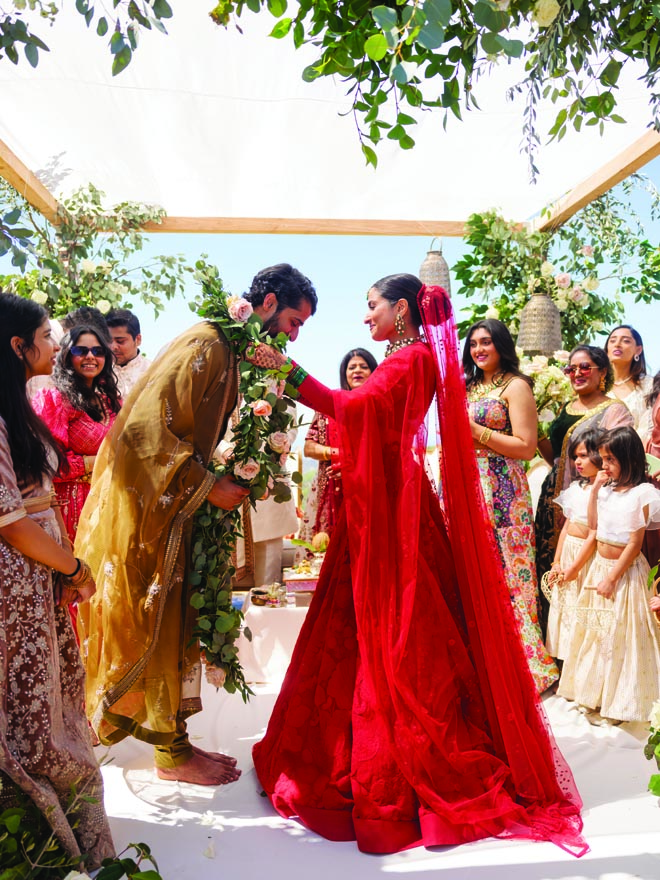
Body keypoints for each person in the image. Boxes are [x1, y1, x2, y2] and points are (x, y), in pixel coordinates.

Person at [248, 275, 585, 855]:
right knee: (372, 619)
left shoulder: (413, 358)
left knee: (399, 629)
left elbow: (351, 408)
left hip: (393, 508)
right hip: (385, 499)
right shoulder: (411, 356)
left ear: (401, 309)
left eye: (371, 306)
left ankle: (386, 778)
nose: (365, 318)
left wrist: (287, 371)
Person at [75, 264, 317, 787]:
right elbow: (143, 432)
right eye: (295, 322)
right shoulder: (206, 343)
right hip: (148, 507)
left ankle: (167, 742)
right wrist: (208, 484)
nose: (295, 336)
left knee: (173, 615)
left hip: (174, 505)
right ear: (269, 303)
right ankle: (167, 752)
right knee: (151, 617)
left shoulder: (233, 352)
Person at [0, 292, 114, 869]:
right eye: (48, 336)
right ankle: (38, 842)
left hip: (37, 579)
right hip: (15, 585)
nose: (58, 345)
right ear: (19, 346)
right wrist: (73, 567)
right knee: (31, 712)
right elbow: (11, 523)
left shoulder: (19, 403)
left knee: (51, 701)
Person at [464, 320, 557, 693]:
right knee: (474, 573)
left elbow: (525, 446)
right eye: (473, 344)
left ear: (501, 344)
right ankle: (483, 662)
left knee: (511, 576)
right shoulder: (468, 387)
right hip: (468, 486)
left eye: (486, 342)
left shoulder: (516, 386)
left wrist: (478, 432)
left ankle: (526, 667)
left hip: (504, 490)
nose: (479, 349)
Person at [558, 426, 660, 723]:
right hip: (599, 567)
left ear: (628, 460)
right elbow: (594, 526)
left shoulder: (642, 494)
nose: (605, 466)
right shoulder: (605, 490)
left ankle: (621, 702)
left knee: (620, 636)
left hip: (623, 573)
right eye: (603, 460)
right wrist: (595, 493)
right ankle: (594, 693)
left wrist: (613, 577)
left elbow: (634, 544)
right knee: (594, 633)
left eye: (610, 460)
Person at [535, 345, 633, 633]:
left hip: (592, 498)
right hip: (554, 496)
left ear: (603, 372)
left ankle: (582, 646)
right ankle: (552, 639)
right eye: (571, 368)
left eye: (585, 367)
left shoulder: (615, 410)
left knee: (581, 567)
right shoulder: (565, 407)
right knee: (552, 564)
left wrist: (594, 491)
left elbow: (617, 458)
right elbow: (555, 455)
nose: (577, 373)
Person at [32, 326, 121, 546]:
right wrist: (93, 462)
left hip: (108, 501)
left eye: (98, 351)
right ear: (66, 355)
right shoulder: (54, 400)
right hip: (69, 507)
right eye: (81, 350)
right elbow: (47, 465)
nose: (90, 356)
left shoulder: (112, 402)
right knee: (78, 575)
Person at [301, 347, 377, 542]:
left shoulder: (380, 408)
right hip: (332, 492)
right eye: (352, 367)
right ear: (345, 374)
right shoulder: (331, 405)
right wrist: (338, 454)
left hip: (372, 492)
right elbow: (309, 448)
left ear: (374, 372)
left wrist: (353, 465)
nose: (357, 371)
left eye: (364, 366)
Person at [544, 430, 601, 661]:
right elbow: (567, 527)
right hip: (569, 552)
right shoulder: (576, 489)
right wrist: (557, 561)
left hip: (586, 557)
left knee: (583, 610)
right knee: (565, 610)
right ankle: (565, 664)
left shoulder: (605, 491)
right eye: (575, 456)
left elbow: (595, 534)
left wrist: (575, 568)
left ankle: (582, 666)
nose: (577, 462)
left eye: (584, 456)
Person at [605, 324, 653, 442]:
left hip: (639, 454)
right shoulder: (596, 385)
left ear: (638, 350)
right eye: (612, 341)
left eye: (626, 341)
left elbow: (649, 427)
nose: (617, 344)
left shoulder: (649, 385)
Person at [106, 308, 152, 399]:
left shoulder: (152, 372)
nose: (113, 347)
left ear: (138, 340)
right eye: (108, 341)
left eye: (120, 341)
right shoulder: (98, 373)